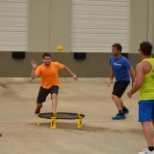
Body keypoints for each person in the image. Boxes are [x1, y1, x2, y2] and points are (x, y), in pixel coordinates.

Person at [127, 42, 154, 154]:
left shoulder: (141, 65)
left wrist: (131, 92)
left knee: (145, 122)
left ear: (141, 51)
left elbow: (139, 83)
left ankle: (151, 149)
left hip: (147, 98)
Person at [108, 43, 135, 120]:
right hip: (118, 80)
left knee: (114, 96)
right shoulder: (111, 59)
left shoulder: (124, 60)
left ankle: (121, 113)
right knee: (116, 96)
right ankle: (124, 109)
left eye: (114, 50)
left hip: (124, 80)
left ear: (119, 51)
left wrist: (133, 82)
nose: (112, 51)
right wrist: (111, 79)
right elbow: (112, 69)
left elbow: (132, 71)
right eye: (112, 49)